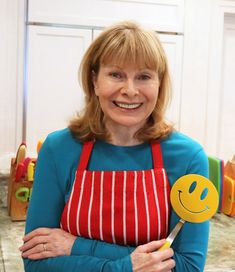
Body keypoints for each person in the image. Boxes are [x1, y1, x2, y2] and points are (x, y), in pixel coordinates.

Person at [19, 21, 209, 272]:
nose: (130, 90)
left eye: (143, 76)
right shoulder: (58, 149)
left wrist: (77, 246)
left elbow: (188, 266)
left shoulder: (188, 158)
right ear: (95, 81)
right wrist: (124, 267)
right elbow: (36, 262)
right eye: (116, 74)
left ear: (159, 84)